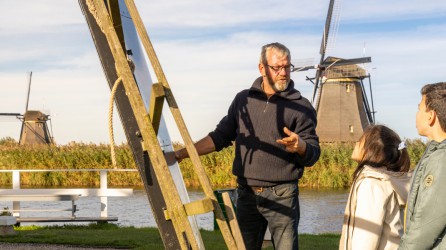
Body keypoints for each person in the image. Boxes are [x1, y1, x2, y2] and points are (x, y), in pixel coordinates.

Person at [173, 42, 320, 250]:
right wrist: (181, 154)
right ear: (262, 68)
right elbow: (219, 137)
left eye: (287, 67)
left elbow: (314, 152)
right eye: (277, 67)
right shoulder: (243, 100)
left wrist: (302, 146)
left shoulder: (301, 106)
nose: (284, 73)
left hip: (283, 194)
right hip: (246, 194)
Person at [339, 125, 412, 250]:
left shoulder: (372, 184)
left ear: (372, 148)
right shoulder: (387, 179)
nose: (356, 142)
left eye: (361, 140)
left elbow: (366, 237)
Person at [399, 82, 446, 249]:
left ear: (431, 116)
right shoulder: (435, 152)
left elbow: (427, 222)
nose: (416, 114)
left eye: (419, 108)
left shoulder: (442, 158)